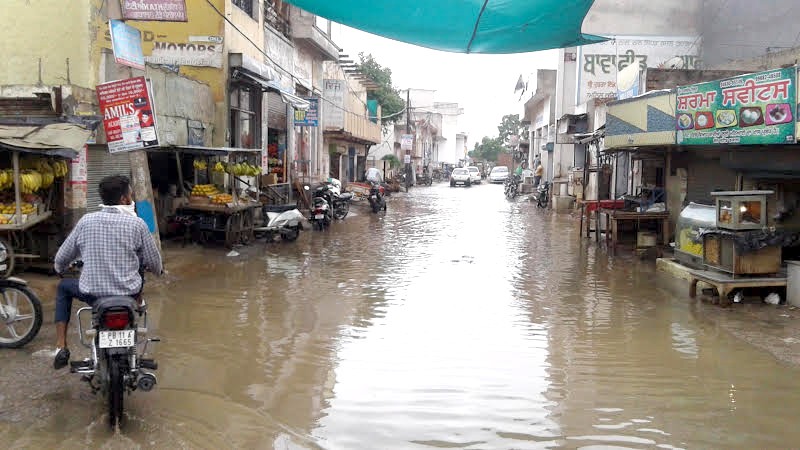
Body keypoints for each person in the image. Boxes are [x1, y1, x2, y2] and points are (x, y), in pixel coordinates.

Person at [52, 175, 163, 370]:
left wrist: (60, 269)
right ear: (123, 199)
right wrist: (158, 271)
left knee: (63, 287)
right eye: (130, 194)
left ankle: (61, 346)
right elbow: (154, 263)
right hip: (128, 294)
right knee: (139, 272)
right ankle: (138, 309)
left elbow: (61, 258)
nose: (132, 199)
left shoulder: (86, 221)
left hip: (93, 295)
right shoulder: (138, 224)